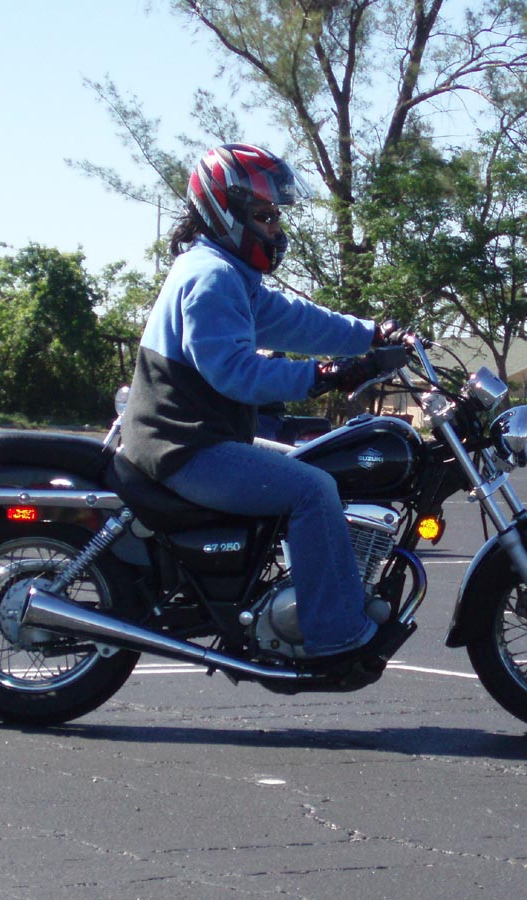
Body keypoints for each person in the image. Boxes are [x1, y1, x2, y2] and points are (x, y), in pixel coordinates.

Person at [121, 143, 399, 662]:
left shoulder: (228, 274)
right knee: (313, 489)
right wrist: (324, 376)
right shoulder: (212, 276)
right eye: (264, 216)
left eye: (275, 216)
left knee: (313, 464)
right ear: (226, 212)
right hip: (184, 448)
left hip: (195, 441)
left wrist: (372, 334)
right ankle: (337, 638)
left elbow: (296, 320)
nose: (275, 228)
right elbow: (234, 372)